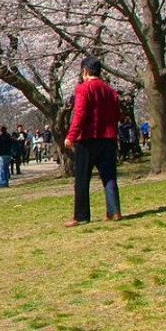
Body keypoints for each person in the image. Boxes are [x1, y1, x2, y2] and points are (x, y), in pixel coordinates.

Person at [65, 57, 122, 226]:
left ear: (85, 71)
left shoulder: (83, 89)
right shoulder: (111, 91)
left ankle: (81, 216)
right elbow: (118, 115)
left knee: (82, 179)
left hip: (88, 140)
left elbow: (80, 114)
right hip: (108, 139)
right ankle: (114, 211)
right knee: (109, 177)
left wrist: (71, 136)